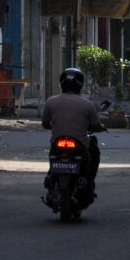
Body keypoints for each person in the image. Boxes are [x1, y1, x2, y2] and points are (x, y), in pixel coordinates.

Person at [41, 67, 106, 195]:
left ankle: (52, 176)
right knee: (94, 152)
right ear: (80, 84)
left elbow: (45, 123)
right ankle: (90, 181)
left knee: (53, 157)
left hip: (57, 143)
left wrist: (55, 126)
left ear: (61, 83)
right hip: (80, 144)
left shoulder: (51, 101)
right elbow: (95, 126)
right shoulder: (87, 104)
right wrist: (101, 128)